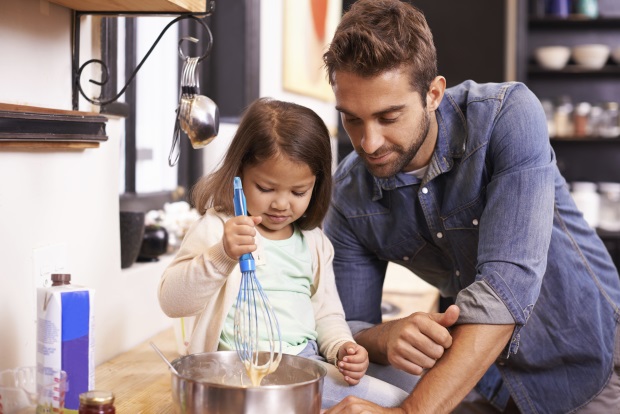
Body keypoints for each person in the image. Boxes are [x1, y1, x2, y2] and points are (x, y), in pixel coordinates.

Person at [321, 0, 620, 413]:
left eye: (388, 117)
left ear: (433, 94)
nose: (368, 143)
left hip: (591, 364)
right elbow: (345, 326)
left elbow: (505, 289)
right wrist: (384, 337)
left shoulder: (507, 116)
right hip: (487, 378)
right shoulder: (348, 195)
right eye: (352, 120)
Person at [157, 97, 409, 409]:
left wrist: (342, 347)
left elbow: (326, 313)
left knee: (406, 396)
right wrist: (221, 255)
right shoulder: (218, 229)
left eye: (298, 192)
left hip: (305, 366)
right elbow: (172, 301)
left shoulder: (314, 242)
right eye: (265, 188)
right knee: (399, 405)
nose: (281, 204)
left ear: (316, 187)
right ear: (239, 175)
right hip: (235, 372)